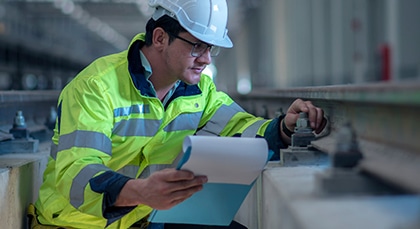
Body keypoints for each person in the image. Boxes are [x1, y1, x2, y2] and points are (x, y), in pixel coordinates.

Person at [33, 0, 327, 228]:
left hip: (143, 220)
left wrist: (285, 128)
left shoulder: (199, 92)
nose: (207, 59)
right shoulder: (96, 87)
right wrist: (139, 192)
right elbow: (76, 175)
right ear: (160, 38)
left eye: (210, 48)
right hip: (74, 224)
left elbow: (243, 129)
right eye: (197, 46)